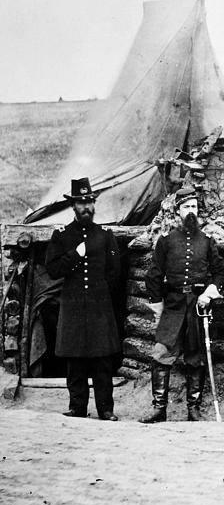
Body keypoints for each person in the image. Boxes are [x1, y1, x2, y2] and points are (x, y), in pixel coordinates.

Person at [140, 187, 224, 423]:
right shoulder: (167, 242)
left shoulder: (207, 242)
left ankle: (194, 409)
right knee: (161, 354)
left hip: (198, 307)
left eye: (195, 207)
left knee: (196, 356)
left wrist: (209, 293)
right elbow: (153, 276)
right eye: (187, 207)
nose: (192, 211)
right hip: (173, 306)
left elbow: (221, 273)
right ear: (178, 210)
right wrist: (157, 306)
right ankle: (159, 409)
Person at [45, 178, 121, 420]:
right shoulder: (62, 236)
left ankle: (105, 409)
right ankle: (77, 407)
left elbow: (114, 272)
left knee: (102, 361)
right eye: (81, 202)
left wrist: (99, 293)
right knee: (75, 360)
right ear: (73, 207)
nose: (86, 206)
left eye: (89, 202)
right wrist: (74, 256)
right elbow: (53, 270)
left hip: (99, 308)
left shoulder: (105, 235)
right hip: (74, 307)